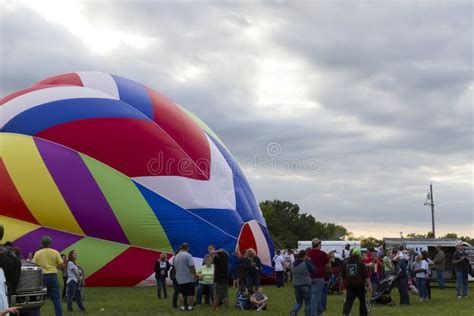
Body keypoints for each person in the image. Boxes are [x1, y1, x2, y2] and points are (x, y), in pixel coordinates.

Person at [32, 236, 64, 316]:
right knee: (56, 299)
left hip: (41, 277)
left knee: (38, 299)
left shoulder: (37, 253)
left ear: (42, 243)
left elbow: (33, 265)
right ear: (50, 243)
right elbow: (62, 265)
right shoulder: (55, 252)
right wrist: (56, 267)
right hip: (53, 276)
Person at [341, 247, 370, 316]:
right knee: (362, 301)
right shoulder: (361, 263)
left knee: (349, 300)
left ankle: (346, 313)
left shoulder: (345, 263)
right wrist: (369, 285)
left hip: (349, 285)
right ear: (359, 255)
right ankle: (363, 314)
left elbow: (342, 275)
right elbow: (366, 275)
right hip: (360, 285)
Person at [307, 238, 329, 316]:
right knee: (315, 297)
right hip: (319, 277)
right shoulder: (323, 254)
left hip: (309, 277)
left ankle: (320, 312)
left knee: (316, 295)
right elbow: (328, 265)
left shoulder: (308, 253)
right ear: (319, 244)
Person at [290, 250, 316, 316]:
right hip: (306, 284)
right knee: (308, 303)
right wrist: (310, 261)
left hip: (296, 285)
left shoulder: (293, 264)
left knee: (298, 302)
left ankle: (293, 312)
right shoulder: (306, 263)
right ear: (305, 256)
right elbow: (314, 270)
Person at [174, 243, 197, 311]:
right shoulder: (188, 255)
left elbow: (175, 267)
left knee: (181, 293)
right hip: (188, 278)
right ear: (187, 247)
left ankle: (182, 307)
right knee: (190, 294)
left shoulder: (176, 256)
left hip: (179, 278)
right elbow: (192, 266)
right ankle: (190, 307)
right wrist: (194, 274)